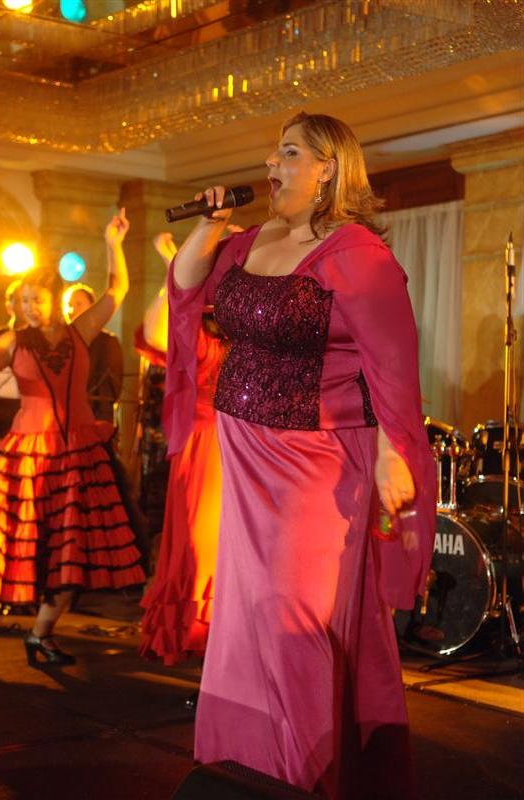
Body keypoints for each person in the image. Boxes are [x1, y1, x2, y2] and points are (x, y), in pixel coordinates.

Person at [164, 112, 436, 799]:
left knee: (294, 617)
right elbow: (186, 284)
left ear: (327, 169)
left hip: (318, 459)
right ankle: (246, 766)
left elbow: (392, 367)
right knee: (246, 615)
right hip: (244, 449)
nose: (270, 164)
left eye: (288, 152)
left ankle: (303, 778)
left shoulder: (357, 254)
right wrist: (209, 224)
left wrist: (393, 453)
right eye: (274, 152)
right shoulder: (247, 242)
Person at [0, 209, 145, 666]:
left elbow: (117, 290)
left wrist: (113, 243)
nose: (29, 308)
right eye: (24, 301)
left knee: (71, 550)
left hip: (79, 454)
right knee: (20, 546)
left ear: (55, 298)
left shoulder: (82, 331)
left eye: (36, 300)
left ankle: (41, 634)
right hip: (29, 455)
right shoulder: (11, 341)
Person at [138, 233, 226, 665]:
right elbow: (156, 335)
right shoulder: (201, 336)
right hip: (206, 445)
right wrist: (173, 274)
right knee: (200, 539)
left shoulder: (246, 330)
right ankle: (198, 631)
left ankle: (227, 638)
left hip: (250, 446)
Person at [63, 282, 123, 424]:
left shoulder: (107, 341)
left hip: (95, 418)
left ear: (92, 308)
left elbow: (109, 390)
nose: (72, 310)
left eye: (78, 304)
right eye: (69, 305)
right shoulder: (63, 341)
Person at [0, 280, 25, 448]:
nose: (25, 306)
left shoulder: (44, 341)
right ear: (9, 306)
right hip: (0, 416)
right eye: (19, 300)